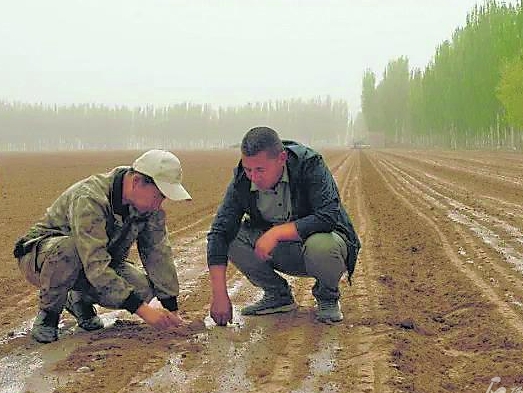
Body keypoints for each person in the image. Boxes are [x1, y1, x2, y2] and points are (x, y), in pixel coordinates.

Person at [13, 149, 192, 343]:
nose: (159, 204)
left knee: (143, 289)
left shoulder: (148, 209)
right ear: (137, 182)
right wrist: (142, 310)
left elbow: (159, 253)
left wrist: (170, 307)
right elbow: (95, 263)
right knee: (70, 250)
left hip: (97, 262)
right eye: (158, 196)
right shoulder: (90, 198)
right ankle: (48, 315)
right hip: (44, 259)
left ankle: (79, 300)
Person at [207, 126, 360, 325]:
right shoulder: (242, 180)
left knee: (323, 245)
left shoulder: (309, 164)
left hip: (317, 249)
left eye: (260, 169)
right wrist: (219, 295)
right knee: (231, 236)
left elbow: (328, 215)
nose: (253, 177)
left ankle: (327, 296)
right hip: (279, 252)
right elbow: (219, 232)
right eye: (248, 169)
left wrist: (277, 233)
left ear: (282, 159)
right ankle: (278, 296)